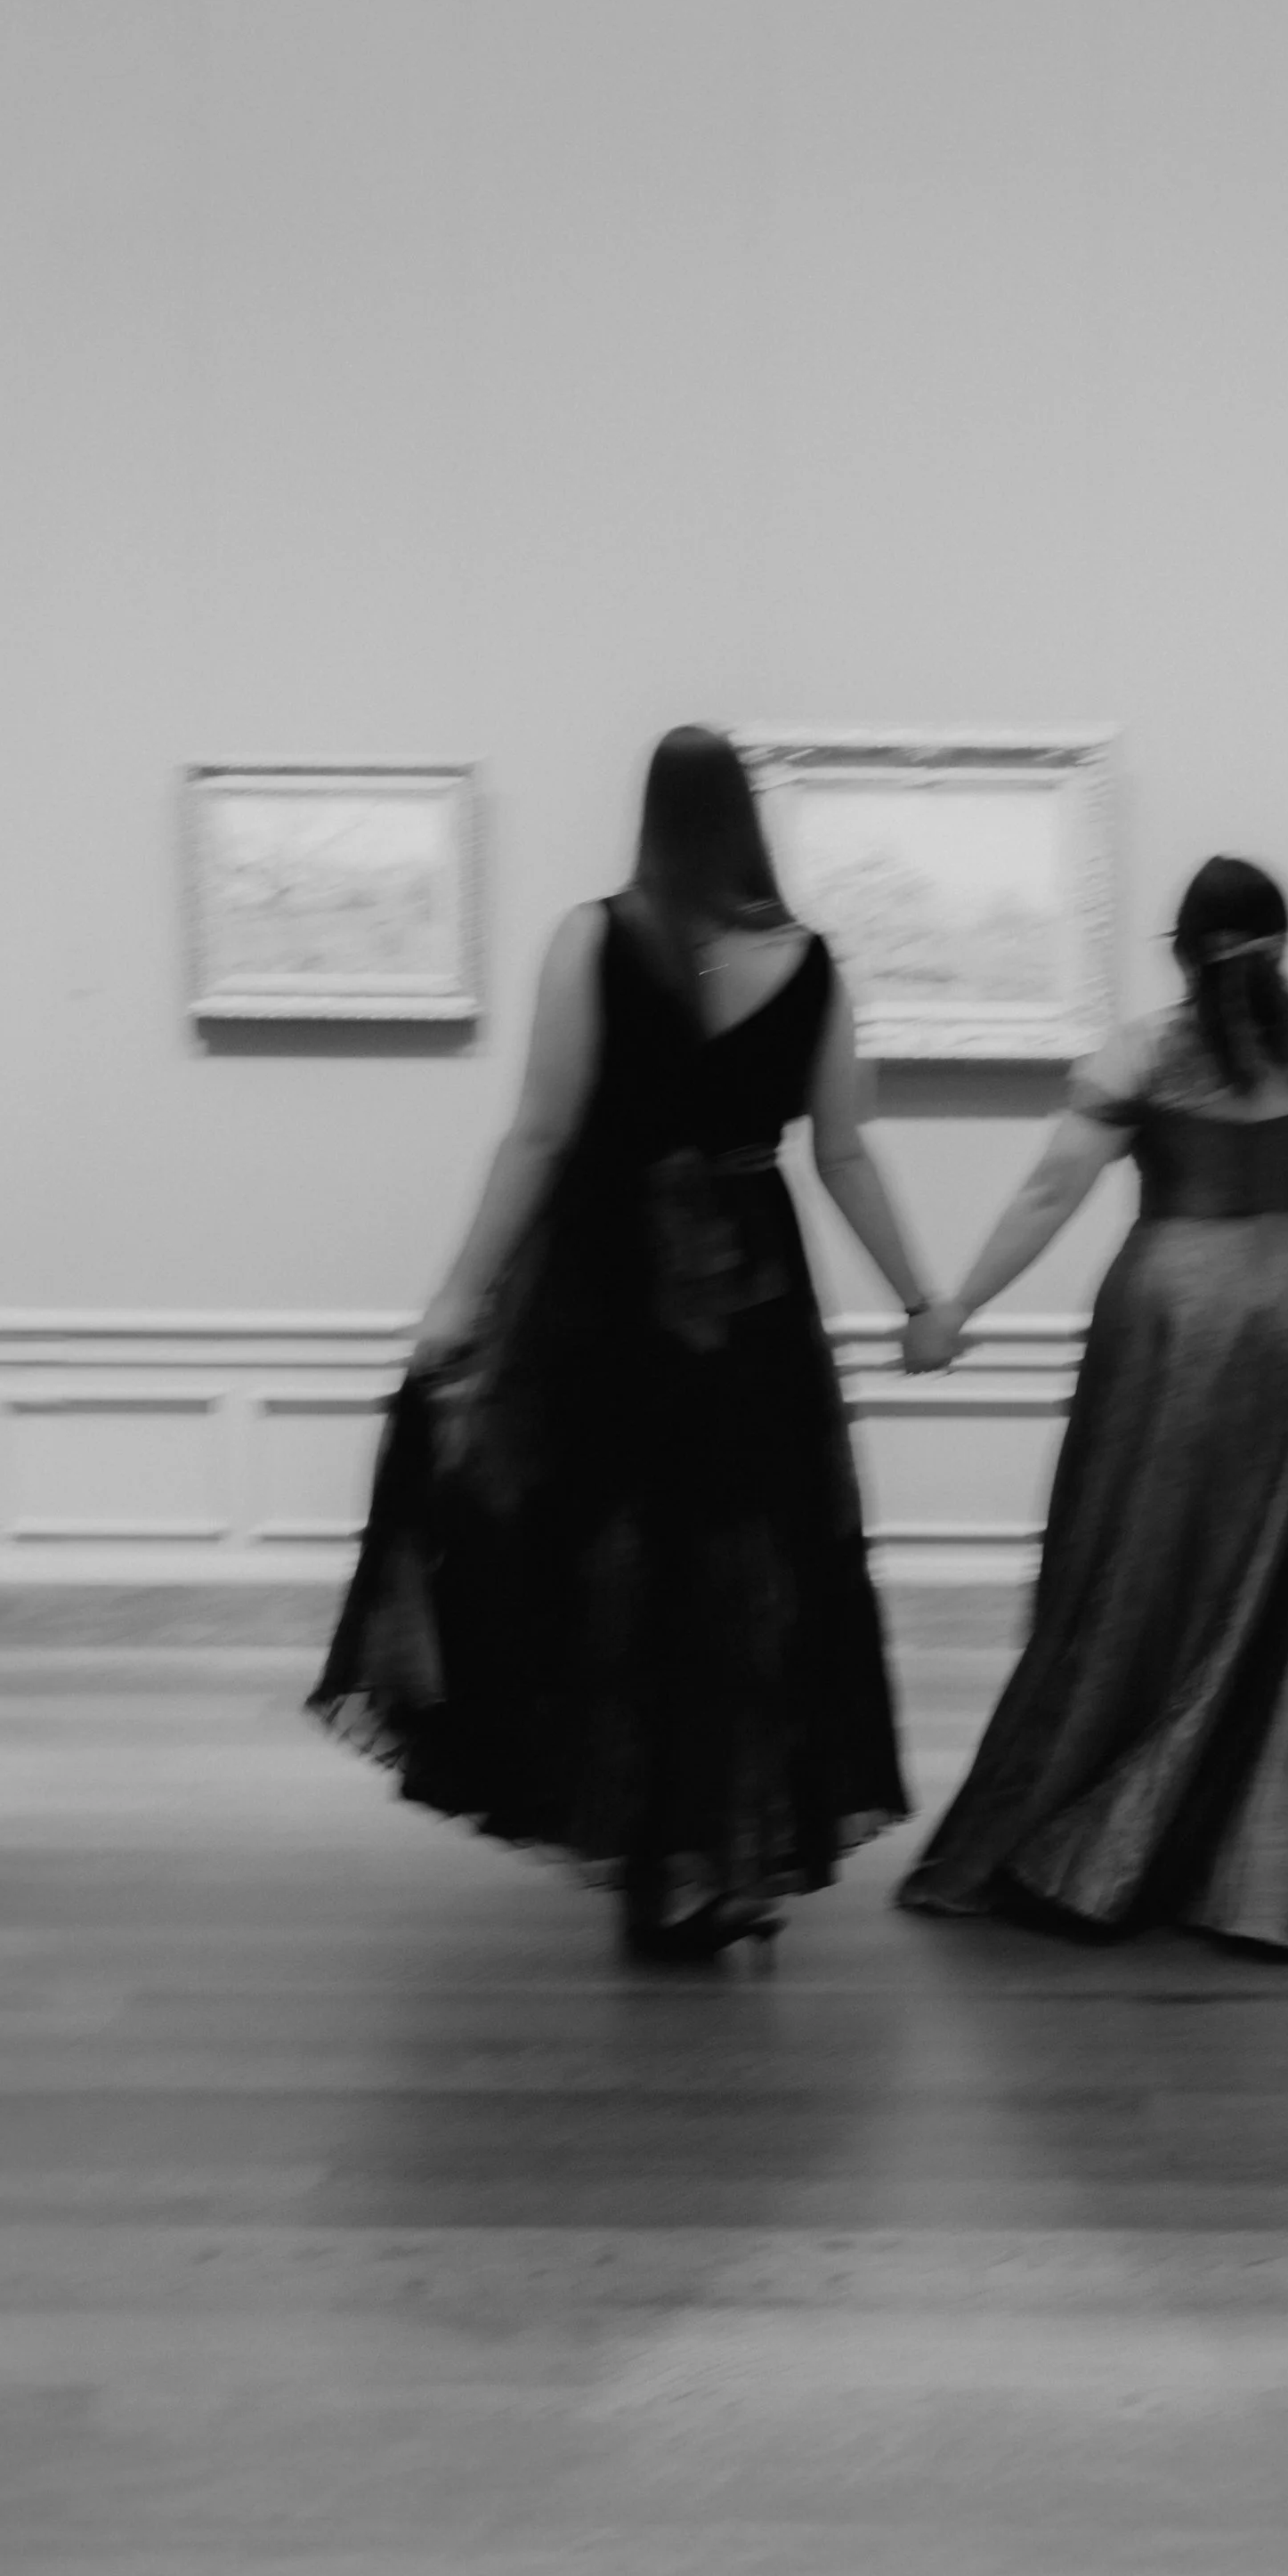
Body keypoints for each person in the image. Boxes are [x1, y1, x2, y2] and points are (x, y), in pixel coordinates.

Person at [311, 726, 950, 1961]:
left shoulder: (593, 939)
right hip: (752, 1293)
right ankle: (732, 1850)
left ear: (649, 820)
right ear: (751, 821)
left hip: (607, 1287)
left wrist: (457, 1298)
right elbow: (846, 1151)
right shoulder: (812, 963)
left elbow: (540, 1139)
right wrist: (920, 1298)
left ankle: (664, 1856)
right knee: (747, 1566)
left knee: (612, 1564)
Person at [895, 855, 1288, 1960]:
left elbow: (1053, 1187)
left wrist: (958, 1306)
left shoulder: (1142, 1051)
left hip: (1168, 1315)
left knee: (1137, 1561)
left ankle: (1105, 1829)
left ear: (1181, 949)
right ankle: (1262, 1848)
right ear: (1285, 942)